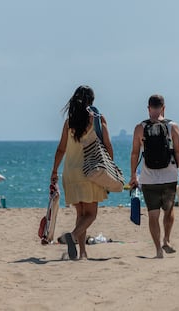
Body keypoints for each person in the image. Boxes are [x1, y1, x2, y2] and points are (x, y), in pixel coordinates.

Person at [50, 85, 114, 260]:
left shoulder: (69, 122)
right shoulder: (97, 120)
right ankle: (72, 236)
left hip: (70, 173)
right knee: (91, 214)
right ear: (91, 101)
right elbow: (107, 145)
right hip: (90, 172)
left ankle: (83, 253)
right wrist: (110, 167)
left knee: (81, 214)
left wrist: (54, 171)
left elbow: (61, 149)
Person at [129, 94, 179, 258]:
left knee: (153, 215)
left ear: (148, 108)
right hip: (169, 177)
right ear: (164, 108)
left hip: (148, 179)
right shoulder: (173, 126)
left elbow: (135, 153)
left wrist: (133, 175)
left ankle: (157, 250)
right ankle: (166, 240)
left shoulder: (139, 128)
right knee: (168, 212)